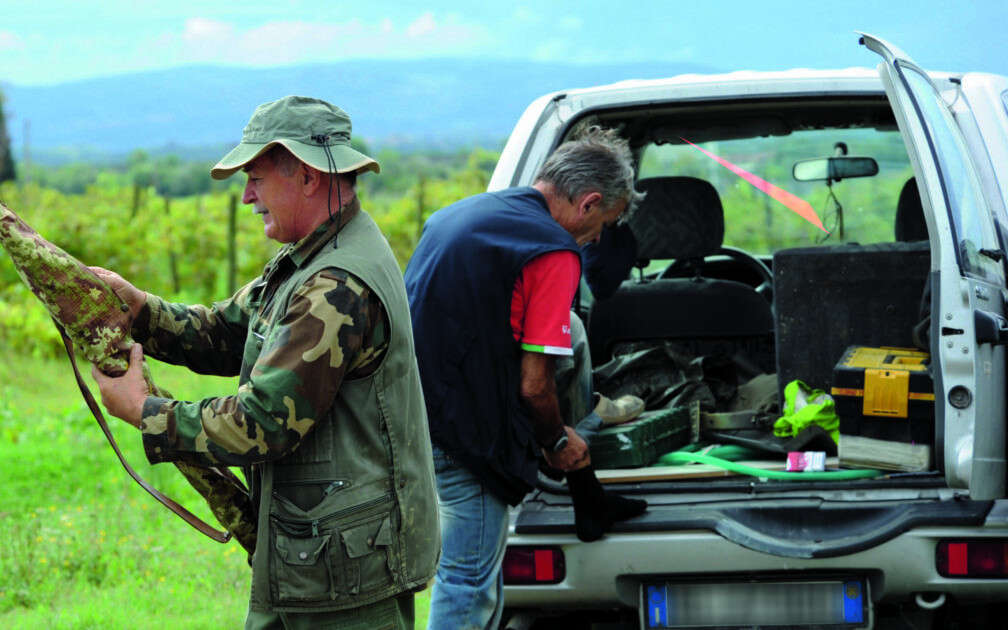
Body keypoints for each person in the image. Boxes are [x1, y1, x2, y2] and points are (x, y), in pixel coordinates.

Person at [90, 95, 440, 630]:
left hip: (342, 579)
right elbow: (225, 332)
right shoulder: (315, 257)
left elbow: (264, 423)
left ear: (305, 176)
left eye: (255, 177)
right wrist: (136, 310)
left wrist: (146, 412)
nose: (247, 195)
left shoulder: (334, 283)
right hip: (324, 560)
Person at [403, 127, 648, 629]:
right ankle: (584, 481)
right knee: (468, 584)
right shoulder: (554, 251)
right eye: (606, 222)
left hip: (414, 420)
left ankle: (588, 499)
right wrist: (558, 440)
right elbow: (535, 387)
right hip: (468, 441)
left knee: (469, 576)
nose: (600, 237)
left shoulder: (459, 214)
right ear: (590, 203)